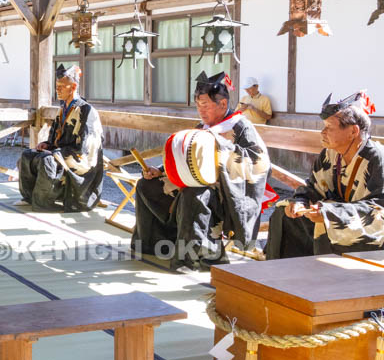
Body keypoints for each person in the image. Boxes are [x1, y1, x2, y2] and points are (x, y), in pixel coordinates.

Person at [133, 71, 271, 271]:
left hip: (226, 191)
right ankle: (160, 244)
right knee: (147, 185)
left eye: (205, 104)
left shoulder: (241, 126)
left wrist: (222, 147)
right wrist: (161, 171)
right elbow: (189, 158)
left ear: (223, 104)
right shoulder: (202, 126)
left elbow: (259, 163)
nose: (200, 110)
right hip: (196, 181)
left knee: (194, 194)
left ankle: (199, 258)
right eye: (198, 104)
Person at [266, 92, 383, 258]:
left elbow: (379, 208)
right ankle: (286, 271)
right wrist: (300, 202)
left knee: (327, 223)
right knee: (285, 215)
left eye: (329, 127)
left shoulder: (377, 159)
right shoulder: (330, 154)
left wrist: (330, 213)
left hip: (369, 230)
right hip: (337, 213)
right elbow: (313, 188)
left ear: (353, 131)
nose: (323, 132)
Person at [16, 64, 104, 211]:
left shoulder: (87, 111)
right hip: (61, 152)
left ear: (73, 87)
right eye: (57, 86)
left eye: (62, 86)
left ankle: (43, 203)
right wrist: (47, 145)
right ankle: (29, 197)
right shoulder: (62, 109)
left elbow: (87, 148)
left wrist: (56, 152)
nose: (58, 89)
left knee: (47, 160)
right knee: (27, 155)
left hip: (80, 158)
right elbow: (54, 138)